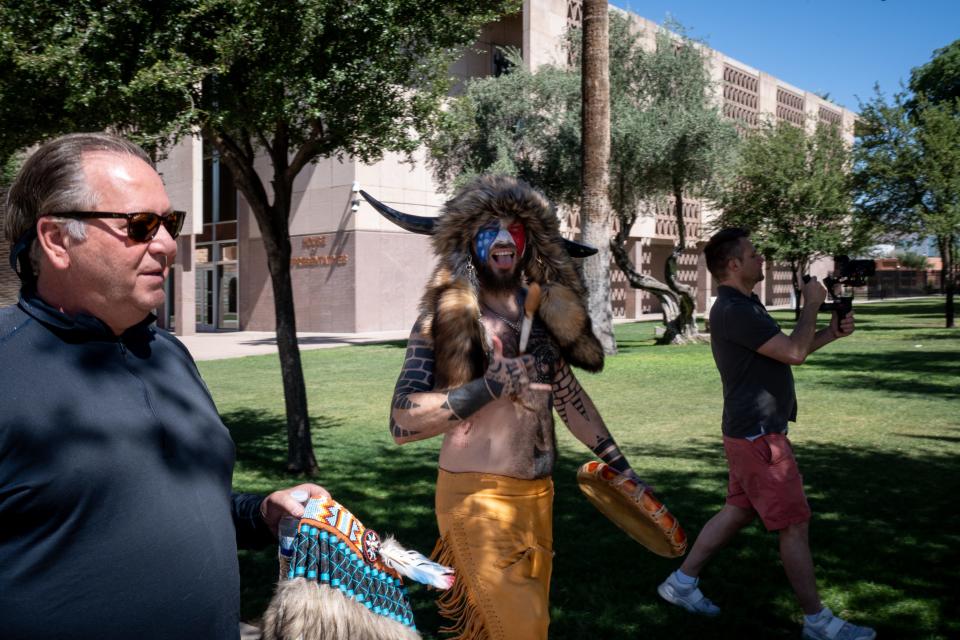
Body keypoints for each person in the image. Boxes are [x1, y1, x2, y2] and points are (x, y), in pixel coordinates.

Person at [0, 132, 327, 640]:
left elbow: (189, 498)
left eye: (169, 223)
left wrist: (260, 512)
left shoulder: (168, 352)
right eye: (140, 225)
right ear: (57, 239)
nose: (169, 245)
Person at [375, 175, 643, 640]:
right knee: (518, 631)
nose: (502, 238)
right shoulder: (445, 318)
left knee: (518, 628)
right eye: (488, 228)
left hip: (538, 502)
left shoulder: (539, 315)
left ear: (529, 240)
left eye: (513, 228)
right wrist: (487, 388)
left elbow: (570, 397)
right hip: (477, 503)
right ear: (467, 242)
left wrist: (622, 467)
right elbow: (402, 421)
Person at [657, 228, 875, 640]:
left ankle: (681, 584)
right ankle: (817, 622)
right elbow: (793, 352)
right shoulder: (735, 310)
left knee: (738, 511)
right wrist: (812, 304)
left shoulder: (744, 306)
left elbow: (789, 351)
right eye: (754, 255)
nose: (762, 260)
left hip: (750, 434)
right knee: (794, 524)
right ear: (734, 264)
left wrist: (830, 333)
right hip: (760, 439)